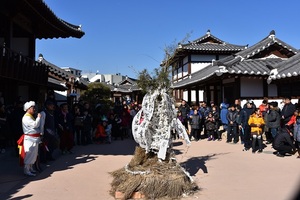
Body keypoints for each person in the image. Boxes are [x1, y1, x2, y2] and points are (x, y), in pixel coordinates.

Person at [19, 101, 42, 176]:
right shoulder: (26, 117)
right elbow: (35, 125)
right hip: (29, 138)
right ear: (28, 109)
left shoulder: (30, 116)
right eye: (33, 108)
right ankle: (27, 170)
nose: (34, 109)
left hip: (34, 138)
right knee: (29, 154)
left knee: (33, 155)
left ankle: (31, 168)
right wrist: (38, 118)